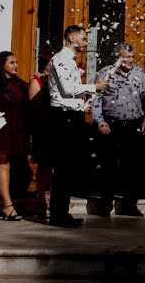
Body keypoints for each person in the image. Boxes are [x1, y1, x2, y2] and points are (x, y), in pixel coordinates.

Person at [47, 25, 108, 227]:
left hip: (72, 115)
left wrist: (85, 103)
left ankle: (61, 212)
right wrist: (94, 87)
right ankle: (58, 215)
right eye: (82, 38)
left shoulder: (69, 61)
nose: (85, 42)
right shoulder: (62, 59)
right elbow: (67, 89)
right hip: (63, 118)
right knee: (63, 167)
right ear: (71, 39)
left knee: (69, 167)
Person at [91, 42, 145, 217]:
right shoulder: (105, 73)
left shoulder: (139, 73)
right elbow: (97, 99)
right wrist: (100, 121)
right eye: (127, 57)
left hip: (134, 124)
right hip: (111, 124)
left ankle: (130, 205)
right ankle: (105, 204)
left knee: (133, 166)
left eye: (132, 57)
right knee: (107, 165)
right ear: (118, 57)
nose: (130, 60)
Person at [0, 51, 27, 221]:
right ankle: (8, 206)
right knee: (3, 164)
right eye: (12, 63)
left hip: (16, 129)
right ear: (2, 65)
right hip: (1, 128)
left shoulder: (19, 83)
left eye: (16, 62)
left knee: (3, 165)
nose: (15, 66)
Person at [28, 51, 53, 220]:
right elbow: (34, 104)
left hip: (58, 125)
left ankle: (54, 200)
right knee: (44, 166)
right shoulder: (37, 80)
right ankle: (41, 201)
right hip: (44, 127)